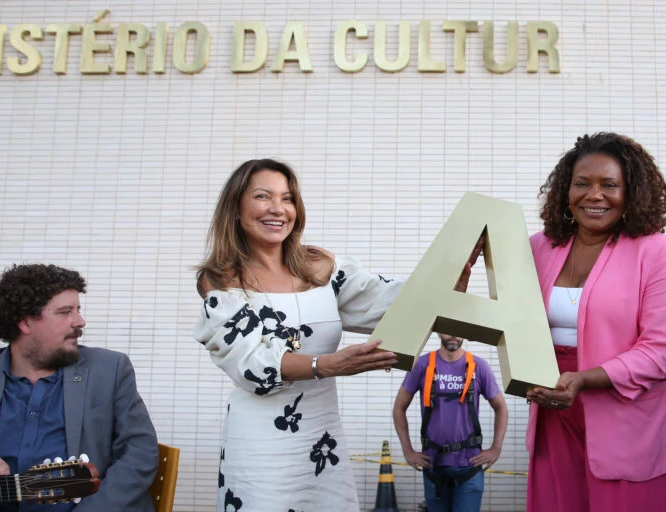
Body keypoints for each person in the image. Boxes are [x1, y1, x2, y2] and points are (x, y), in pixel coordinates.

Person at [194, 158, 478, 511]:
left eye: (287, 198)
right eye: (263, 197)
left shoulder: (320, 267)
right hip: (259, 443)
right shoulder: (220, 281)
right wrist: (324, 365)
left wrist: (445, 287)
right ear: (236, 208)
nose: (278, 209)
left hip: (321, 435)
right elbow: (250, 364)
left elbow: (386, 300)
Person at [0, 263, 159, 511]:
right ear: (24, 322)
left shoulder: (109, 369)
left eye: (78, 309)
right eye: (65, 312)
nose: (80, 321)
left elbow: (140, 454)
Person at [525, 132, 666, 512]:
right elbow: (512, 318)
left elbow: (660, 350)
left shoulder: (656, 252)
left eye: (609, 185)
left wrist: (585, 379)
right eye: (582, 183)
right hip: (552, 404)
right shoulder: (539, 247)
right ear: (565, 190)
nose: (594, 195)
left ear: (631, 191)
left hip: (622, 410)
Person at [393, 333, 507, 512]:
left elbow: (501, 408)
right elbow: (399, 407)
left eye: (458, 329)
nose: (453, 334)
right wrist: (407, 451)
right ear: (438, 331)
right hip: (434, 466)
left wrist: (496, 448)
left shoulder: (479, 366)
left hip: (469, 466)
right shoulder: (422, 365)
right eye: (448, 328)